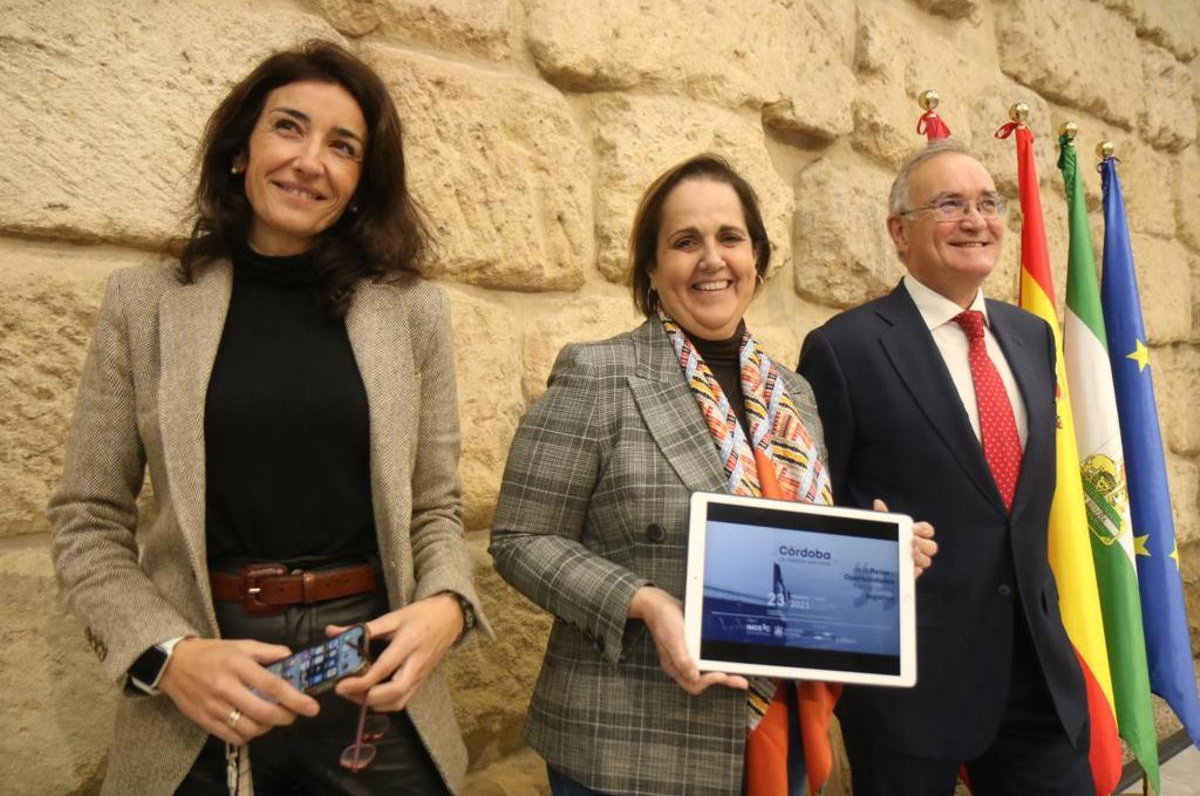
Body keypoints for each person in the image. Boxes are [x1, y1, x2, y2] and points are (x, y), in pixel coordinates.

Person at [48, 40, 488, 795]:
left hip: (371, 681)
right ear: (238, 152)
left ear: (361, 182)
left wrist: (448, 605)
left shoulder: (412, 311)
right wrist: (168, 656)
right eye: (289, 127)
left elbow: (434, 509)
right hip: (204, 683)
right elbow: (86, 517)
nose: (311, 161)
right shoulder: (143, 303)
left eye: (343, 146)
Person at [490, 154, 936, 796]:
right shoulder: (599, 374)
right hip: (633, 749)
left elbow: (788, 555)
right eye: (684, 242)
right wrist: (645, 603)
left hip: (781, 735)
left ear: (757, 257)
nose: (711, 259)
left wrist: (872, 557)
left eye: (730, 237)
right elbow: (520, 539)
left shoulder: (793, 394)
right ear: (651, 268)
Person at [797, 140, 1091, 796]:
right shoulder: (844, 349)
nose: (976, 220)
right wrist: (870, 540)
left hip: (1036, 671)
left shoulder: (1031, 336)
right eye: (951, 204)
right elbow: (814, 514)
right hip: (911, 688)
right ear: (899, 231)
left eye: (988, 204)